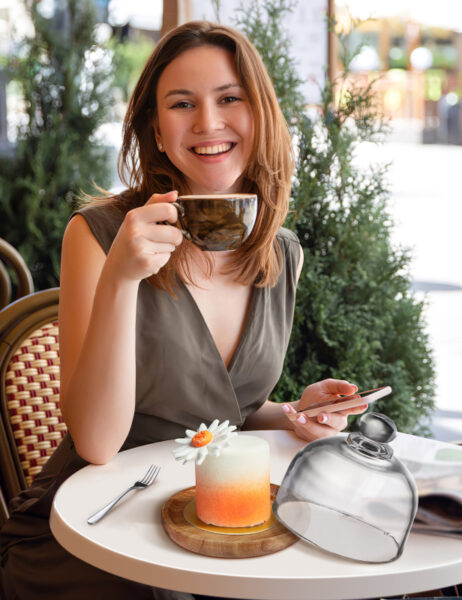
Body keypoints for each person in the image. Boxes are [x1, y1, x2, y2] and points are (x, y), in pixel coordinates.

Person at [0, 21, 366, 599]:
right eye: (182, 104)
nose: (208, 123)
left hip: (211, 519)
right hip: (96, 531)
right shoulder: (97, 236)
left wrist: (294, 412)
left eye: (229, 99)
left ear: (260, 115)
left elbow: (224, 412)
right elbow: (96, 441)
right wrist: (123, 276)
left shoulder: (282, 251)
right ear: (156, 128)